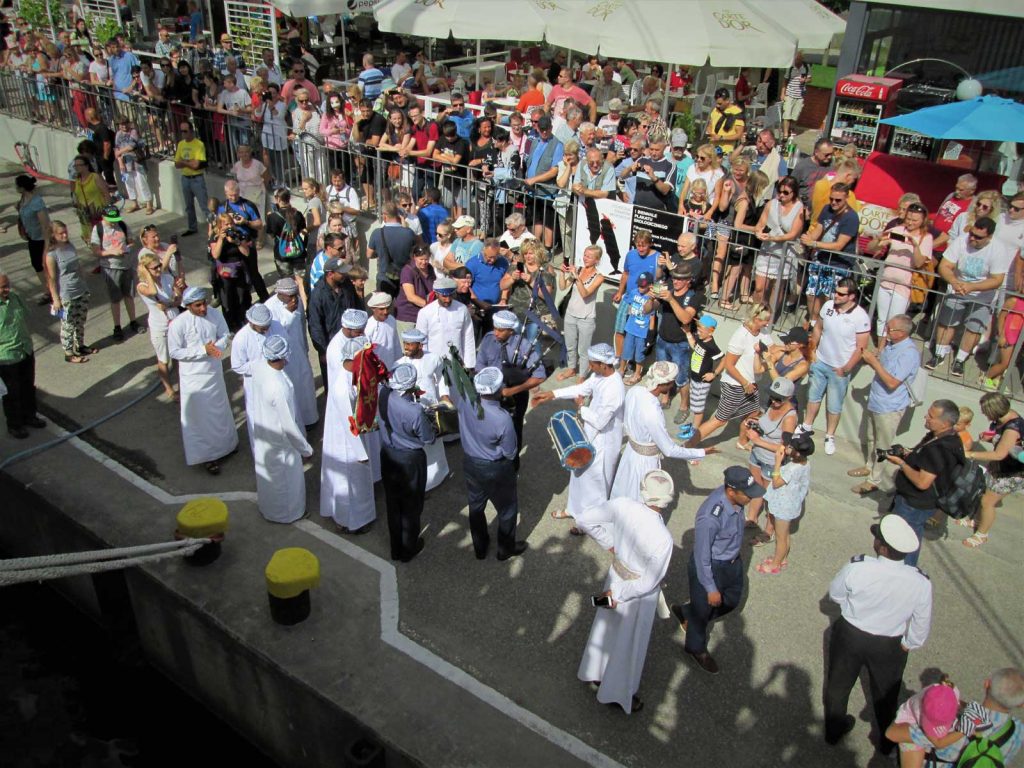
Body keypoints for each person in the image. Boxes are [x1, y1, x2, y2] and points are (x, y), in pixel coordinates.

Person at [824, 515, 933, 754]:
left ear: (881, 547)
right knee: (886, 694)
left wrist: (849, 612)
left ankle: (833, 730)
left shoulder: (858, 567)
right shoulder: (920, 582)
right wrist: (909, 643)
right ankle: (886, 740)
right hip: (889, 644)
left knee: (838, 685)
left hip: (850, 635)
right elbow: (921, 621)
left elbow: (835, 594)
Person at [575, 469, 675, 714]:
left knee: (604, 628)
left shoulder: (622, 505)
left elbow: (585, 519)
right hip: (636, 597)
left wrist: (608, 543)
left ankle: (594, 671)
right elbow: (648, 582)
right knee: (629, 645)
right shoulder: (663, 538)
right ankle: (617, 693)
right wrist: (621, 596)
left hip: (614, 577)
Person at [669, 466, 764, 675]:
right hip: (711, 567)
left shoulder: (735, 500)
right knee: (702, 612)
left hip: (731, 562)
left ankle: (686, 611)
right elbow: (702, 557)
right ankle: (696, 647)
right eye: (747, 494)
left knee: (731, 601)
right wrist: (710, 588)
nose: (751, 498)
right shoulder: (710, 518)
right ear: (731, 492)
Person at [532, 343, 625, 534]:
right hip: (590, 434)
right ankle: (573, 510)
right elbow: (582, 388)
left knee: (596, 484)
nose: (590, 367)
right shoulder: (598, 375)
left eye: (592, 363)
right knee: (578, 474)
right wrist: (552, 394)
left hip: (604, 442)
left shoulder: (615, 387)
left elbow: (600, 422)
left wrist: (581, 408)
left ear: (604, 364)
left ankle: (589, 524)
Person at [611, 361, 710, 501]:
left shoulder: (635, 391)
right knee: (640, 499)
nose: (672, 386)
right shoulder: (653, 412)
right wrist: (700, 453)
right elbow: (669, 449)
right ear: (664, 384)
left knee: (623, 490)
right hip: (645, 463)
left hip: (629, 453)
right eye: (671, 382)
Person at [457, 367, 527, 561]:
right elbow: (510, 451)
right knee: (507, 509)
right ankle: (505, 549)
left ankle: (480, 547)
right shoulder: (502, 418)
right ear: (498, 390)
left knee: (476, 506)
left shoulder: (465, 401)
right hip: (495, 468)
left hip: (470, 463)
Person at [167, 287, 238, 475]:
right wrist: (202, 350)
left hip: (213, 374)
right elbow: (174, 351)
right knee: (200, 419)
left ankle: (226, 446)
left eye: (204, 303)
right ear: (188, 306)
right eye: (197, 305)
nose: (203, 308)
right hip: (194, 380)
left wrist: (217, 347)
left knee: (219, 411)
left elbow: (225, 334)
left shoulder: (215, 314)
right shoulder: (178, 324)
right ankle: (207, 457)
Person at [888, 668, 1024, 766]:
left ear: (986, 684)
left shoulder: (955, 723)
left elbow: (892, 734)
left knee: (909, 742)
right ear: (1021, 705)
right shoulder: (1018, 731)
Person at [796, 278, 870, 456]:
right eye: (836, 292)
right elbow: (818, 329)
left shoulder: (860, 317)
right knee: (813, 397)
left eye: (841, 294)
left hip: (839, 369)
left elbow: (861, 348)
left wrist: (846, 368)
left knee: (834, 405)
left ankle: (830, 436)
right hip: (820, 361)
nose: (836, 295)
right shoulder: (827, 306)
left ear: (851, 296)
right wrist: (813, 352)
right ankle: (806, 426)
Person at [849, 315, 921, 496]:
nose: (886, 332)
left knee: (883, 446)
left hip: (890, 406)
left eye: (890, 329)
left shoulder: (908, 353)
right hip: (876, 401)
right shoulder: (891, 345)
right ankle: (869, 467)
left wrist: (874, 363)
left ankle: (874, 480)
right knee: (871, 438)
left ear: (903, 333)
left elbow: (892, 382)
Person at [928, 217, 1009, 377]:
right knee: (946, 323)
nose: (972, 238)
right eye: (972, 234)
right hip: (957, 289)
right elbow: (944, 265)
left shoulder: (998, 249)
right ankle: (938, 354)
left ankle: (960, 359)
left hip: (982, 296)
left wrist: (972, 286)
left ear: (989, 237)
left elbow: (997, 279)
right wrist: (953, 280)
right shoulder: (961, 241)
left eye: (978, 237)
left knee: (973, 328)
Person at [249, 335, 313, 523]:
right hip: (281, 441)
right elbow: (288, 425)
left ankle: (270, 508)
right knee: (287, 481)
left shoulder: (260, 367)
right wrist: (306, 449)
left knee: (270, 477)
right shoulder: (278, 388)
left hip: (264, 432)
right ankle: (289, 514)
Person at [378, 362, 437, 562]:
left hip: (388, 454)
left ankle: (396, 548)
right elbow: (427, 438)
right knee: (411, 506)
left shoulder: (384, 394)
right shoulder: (415, 411)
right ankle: (408, 548)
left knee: (393, 504)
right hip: (410, 459)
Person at [476, 310, 546, 470]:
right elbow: (480, 364)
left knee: (513, 430)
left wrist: (513, 390)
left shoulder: (524, 345)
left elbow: (539, 376)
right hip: (489, 393)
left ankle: (512, 467)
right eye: (495, 328)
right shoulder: (488, 339)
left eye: (501, 330)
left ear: (511, 330)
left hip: (515, 396)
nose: (496, 333)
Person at [321, 335, 377, 533]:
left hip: (357, 437)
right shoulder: (342, 388)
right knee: (351, 484)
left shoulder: (354, 376)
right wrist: (361, 454)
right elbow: (349, 424)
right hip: (348, 444)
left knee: (359, 483)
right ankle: (353, 522)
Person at [694, 304, 771, 443]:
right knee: (720, 420)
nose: (768, 323)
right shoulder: (741, 335)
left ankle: (742, 442)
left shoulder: (763, 332)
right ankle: (688, 445)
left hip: (750, 384)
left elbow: (771, 348)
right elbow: (729, 365)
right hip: (735, 384)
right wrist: (744, 382)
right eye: (765, 320)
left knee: (753, 412)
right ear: (755, 318)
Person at [962, 393, 1023, 550]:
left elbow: (999, 454)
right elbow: (1004, 442)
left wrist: (971, 454)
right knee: (985, 495)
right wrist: (990, 437)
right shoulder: (1008, 418)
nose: (983, 413)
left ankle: (982, 534)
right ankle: (977, 520)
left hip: (1011, 472)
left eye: (985, 410)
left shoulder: (1012, 428)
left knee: (987, 502)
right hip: (1001, 468)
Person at [396, 328, 451, 490]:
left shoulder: (433, 358)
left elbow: (442, 377)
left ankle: (438, 474)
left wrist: (445, 395)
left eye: (410, 344)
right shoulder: (399, 364)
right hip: (411, 412)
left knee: (433, 443)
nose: (406, 347)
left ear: (420, 345)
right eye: (405, 343)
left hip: (431, 407)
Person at [800, 183, 861, 324]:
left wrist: (814, 244)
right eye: (831, 198)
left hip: (838, 264)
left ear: (846, 198)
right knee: (811, 293)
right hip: (820, 259)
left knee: (829, 298)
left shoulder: (851, 217)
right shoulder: (826, 209)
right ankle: (813, 321)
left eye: (838, 200)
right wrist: (807, 239)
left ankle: (825, 324)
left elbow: (839, 245)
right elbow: (818, 231)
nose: (833, 202)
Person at [757, 431, 814, 575]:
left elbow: (776, 483)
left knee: (780, 537)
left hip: (784, 506)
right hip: (791, 504)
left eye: (790, 447)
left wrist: (777, 462)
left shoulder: (793, 468)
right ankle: (782, 558)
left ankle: (775, 564)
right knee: (786, 534)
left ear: (796, 453)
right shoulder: (805, 463)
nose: (786, 447)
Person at [0, 273, 47, 440]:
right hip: (6, 357)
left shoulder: (14, 298)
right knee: (12, 393)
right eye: (3, 287)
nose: (7, 289)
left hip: (25, 349)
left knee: (28, 386)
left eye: (7, 285)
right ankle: (15, 424)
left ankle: (30, 416)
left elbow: (25, 316)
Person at [44, 220, 93, 365]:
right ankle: (68, 352)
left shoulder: (70, 246)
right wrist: (56, 299)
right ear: (53, 235)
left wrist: (85, 280)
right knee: (68, 324)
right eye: (61, 233)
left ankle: (81, 346)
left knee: (80, 320)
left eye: (66, 232)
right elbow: (52, 279)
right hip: (66, 293)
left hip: (81, 289)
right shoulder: (52, 255)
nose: (65, 235)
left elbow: (78, 266)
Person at [308, 257, 363, 387]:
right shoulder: (318, 295)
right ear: (330, 274)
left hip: (352, 342)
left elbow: (356, 307)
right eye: (341, 272)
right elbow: (315, 325)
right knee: (334, 382)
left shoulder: (347, 286)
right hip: (331, 345)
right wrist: (322, 351)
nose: (345, 275)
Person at [91, 205, 141, 341]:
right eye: (111, 220)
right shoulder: (98, 229)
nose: (114, 222)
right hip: (110, 268)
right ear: (104, 217)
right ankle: (117, 326)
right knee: (115, 299)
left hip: (126, 266)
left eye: (115, 219)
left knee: (129, 296)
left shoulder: (122, 225)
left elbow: (131, 242)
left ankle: (133, 321)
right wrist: (112, 251)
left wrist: (126, 248)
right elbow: (96, 251)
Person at [557, 245, 604, 382]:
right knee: (570, 344)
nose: (585, 258)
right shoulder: (578, 269)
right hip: (571, 313)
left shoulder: (599, 277)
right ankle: (571, 369)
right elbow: (562, 286)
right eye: (584, 255)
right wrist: (562, 273)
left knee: (583, 350)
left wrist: (577, 278)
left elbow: (585, 294)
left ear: (597, 260)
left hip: (586, 317)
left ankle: (582, 375)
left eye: (589, 256)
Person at [415, 275, 476, 370]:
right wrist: (425, 365)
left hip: (458, 363)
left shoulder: (462, 309)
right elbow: (422, 342)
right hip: (434, 364)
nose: (447, 299)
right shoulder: (425, 312)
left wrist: (469, 364)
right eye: (444, 296)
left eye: (450, 295)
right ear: (436, 293)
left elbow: (468, 337)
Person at [14, 175, 51, 306]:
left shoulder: (36, 202)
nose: (15, 188)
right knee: (37, 265)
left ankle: (52, 291)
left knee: (47, 266)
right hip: (32, 238)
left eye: (17, 185)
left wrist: (47, 244)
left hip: (41, 239)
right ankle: (48, 291)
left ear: (22, 187)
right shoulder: (23, 199)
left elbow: (45, 224)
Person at [619, 271, 657, 385]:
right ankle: (621, 369)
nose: (640, 287)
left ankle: (637, 374)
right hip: (630, 328)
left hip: (642, 332)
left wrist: (650, 335)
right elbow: (629, 305)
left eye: (643, 285)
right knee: (625, 351)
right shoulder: (633, 292)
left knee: (639, 355)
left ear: (650, 285)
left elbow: (652, 318)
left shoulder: (651, 299)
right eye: (639, 284)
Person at [174, 121, 208, 237]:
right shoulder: (180, 144)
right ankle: (192, 227)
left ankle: (214, 227)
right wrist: (188, 162)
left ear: (191, 131)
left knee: (205, 206)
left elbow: (196, 165)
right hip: (185, 178)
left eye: (185, 131)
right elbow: (176, 164)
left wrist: (183, 162)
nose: (183, 134)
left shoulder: (198, 144)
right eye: (181, 131)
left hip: (197, 178)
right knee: (188, 206)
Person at [365, 292, 400, 370]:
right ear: (373, 308)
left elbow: (396, 344)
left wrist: (399, 363)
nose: (385, 312)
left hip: (392, 366)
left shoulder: (392, 320)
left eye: (387, 308)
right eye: (381, 309)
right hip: (376, 369)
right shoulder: (368, 326)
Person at [706, 88, 745, 155]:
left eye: (720, 103)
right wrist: (712, 135)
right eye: (716, 103)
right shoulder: (716, 110)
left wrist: (721, 138)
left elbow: (739, 135)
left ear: (727, 100)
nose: (717, 105)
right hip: (712, 149)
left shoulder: (736, 112)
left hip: (725, 152)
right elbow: (709, 126)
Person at [782, 52, 810, 138]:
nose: (796, 61)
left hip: (800, 95)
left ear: (801, 59)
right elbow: (785, 81)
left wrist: (805, 80)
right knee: (787, 115)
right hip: (790, 94)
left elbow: (810, 79)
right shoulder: (790, 67)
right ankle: (785, 133)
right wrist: (783, 93)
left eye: (798, 60)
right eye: (795, 60)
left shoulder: (806, 67)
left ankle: (791, 129)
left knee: (795, 116)